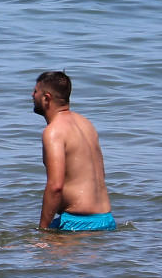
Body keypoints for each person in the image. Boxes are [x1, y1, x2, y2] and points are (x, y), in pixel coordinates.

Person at [32, 71, 115, 231]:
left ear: (46, 98)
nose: (32, 95)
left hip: (79, 224)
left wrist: (42, 230)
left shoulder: (54, 132)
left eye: (36, 91)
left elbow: (55, 186)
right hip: (106, 219)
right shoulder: (86, 124)